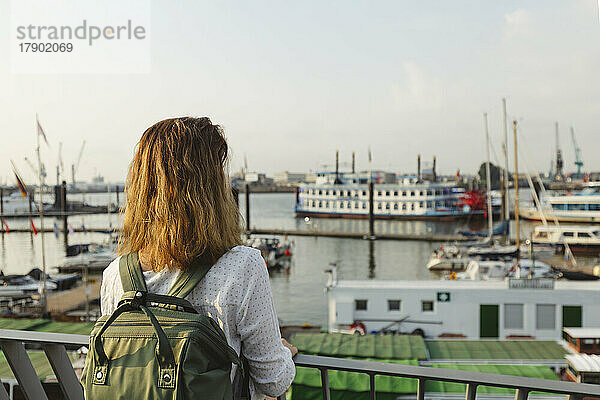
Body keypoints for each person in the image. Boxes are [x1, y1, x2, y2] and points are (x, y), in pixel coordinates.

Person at [100, 117, 297, 399]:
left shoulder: (115, 275)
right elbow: (273, 382)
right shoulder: (242, 267)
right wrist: (286, 355)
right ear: (211, 188)